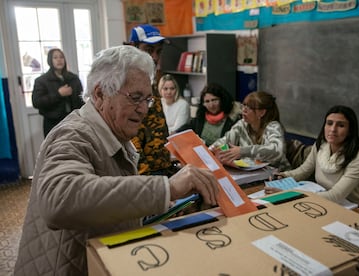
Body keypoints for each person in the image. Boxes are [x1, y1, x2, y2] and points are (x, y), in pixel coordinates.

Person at [13, 46, 219, 276]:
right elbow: (59, 198)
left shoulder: (113, 132)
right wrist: (166, 188)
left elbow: (108, 201)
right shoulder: (73, 134)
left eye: (147, 100)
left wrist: (159, 205)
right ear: (100, 94)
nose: (143, 110)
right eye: (135, 98)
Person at [265, 105, 359, 217]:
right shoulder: (320, 145)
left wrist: (290, 195)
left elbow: (335, 196)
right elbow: (304, 171)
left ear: (350, 131)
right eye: (329, 123)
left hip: (354, 211)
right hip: (321, 204)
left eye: (341, 125)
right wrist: (284, 176)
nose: (333, 129)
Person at [125, 24, 177, 176]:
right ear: (133, 47)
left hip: (162, 167)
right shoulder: (127, 83)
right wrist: (148, 181)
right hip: (144, 175)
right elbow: (130, 138)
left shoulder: (150, 79)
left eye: (158, 52)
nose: (154, 57)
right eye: (148, 51)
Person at [210, 91, 291, 171]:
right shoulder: (242, 124)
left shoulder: (273, 126)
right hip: (252, 173)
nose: (243, 110)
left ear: (262, 112)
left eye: (249, 108)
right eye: (244, 105)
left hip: (278, 175)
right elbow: (224, 142)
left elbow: (277, 151)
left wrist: (242, 151)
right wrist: (209, 151)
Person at [32, 48, 84, 137]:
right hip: (53, 124)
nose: (59, 60)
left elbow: (81, 99)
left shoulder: (73, 78)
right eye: (55, 58)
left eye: (61, 57)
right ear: (50, 60)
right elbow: (37, 102)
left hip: (74, 121)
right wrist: (58, 94)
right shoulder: (42, 80)